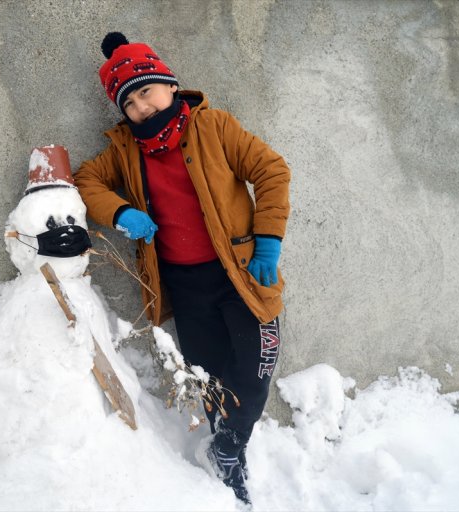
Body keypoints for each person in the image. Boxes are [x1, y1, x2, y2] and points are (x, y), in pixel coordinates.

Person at [74, 32, 290, 506]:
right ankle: (226, 455)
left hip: (241, 275)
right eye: (128, 102)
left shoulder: (214, 127)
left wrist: (269, 242)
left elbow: (271, 170)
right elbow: (87, 180)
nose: (141, 107)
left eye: (145, 91)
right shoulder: (126, 150)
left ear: (169, 84)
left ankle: (232, 443)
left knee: (254, 371)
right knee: (209, 375)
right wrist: (120, 212)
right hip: (184, 285)